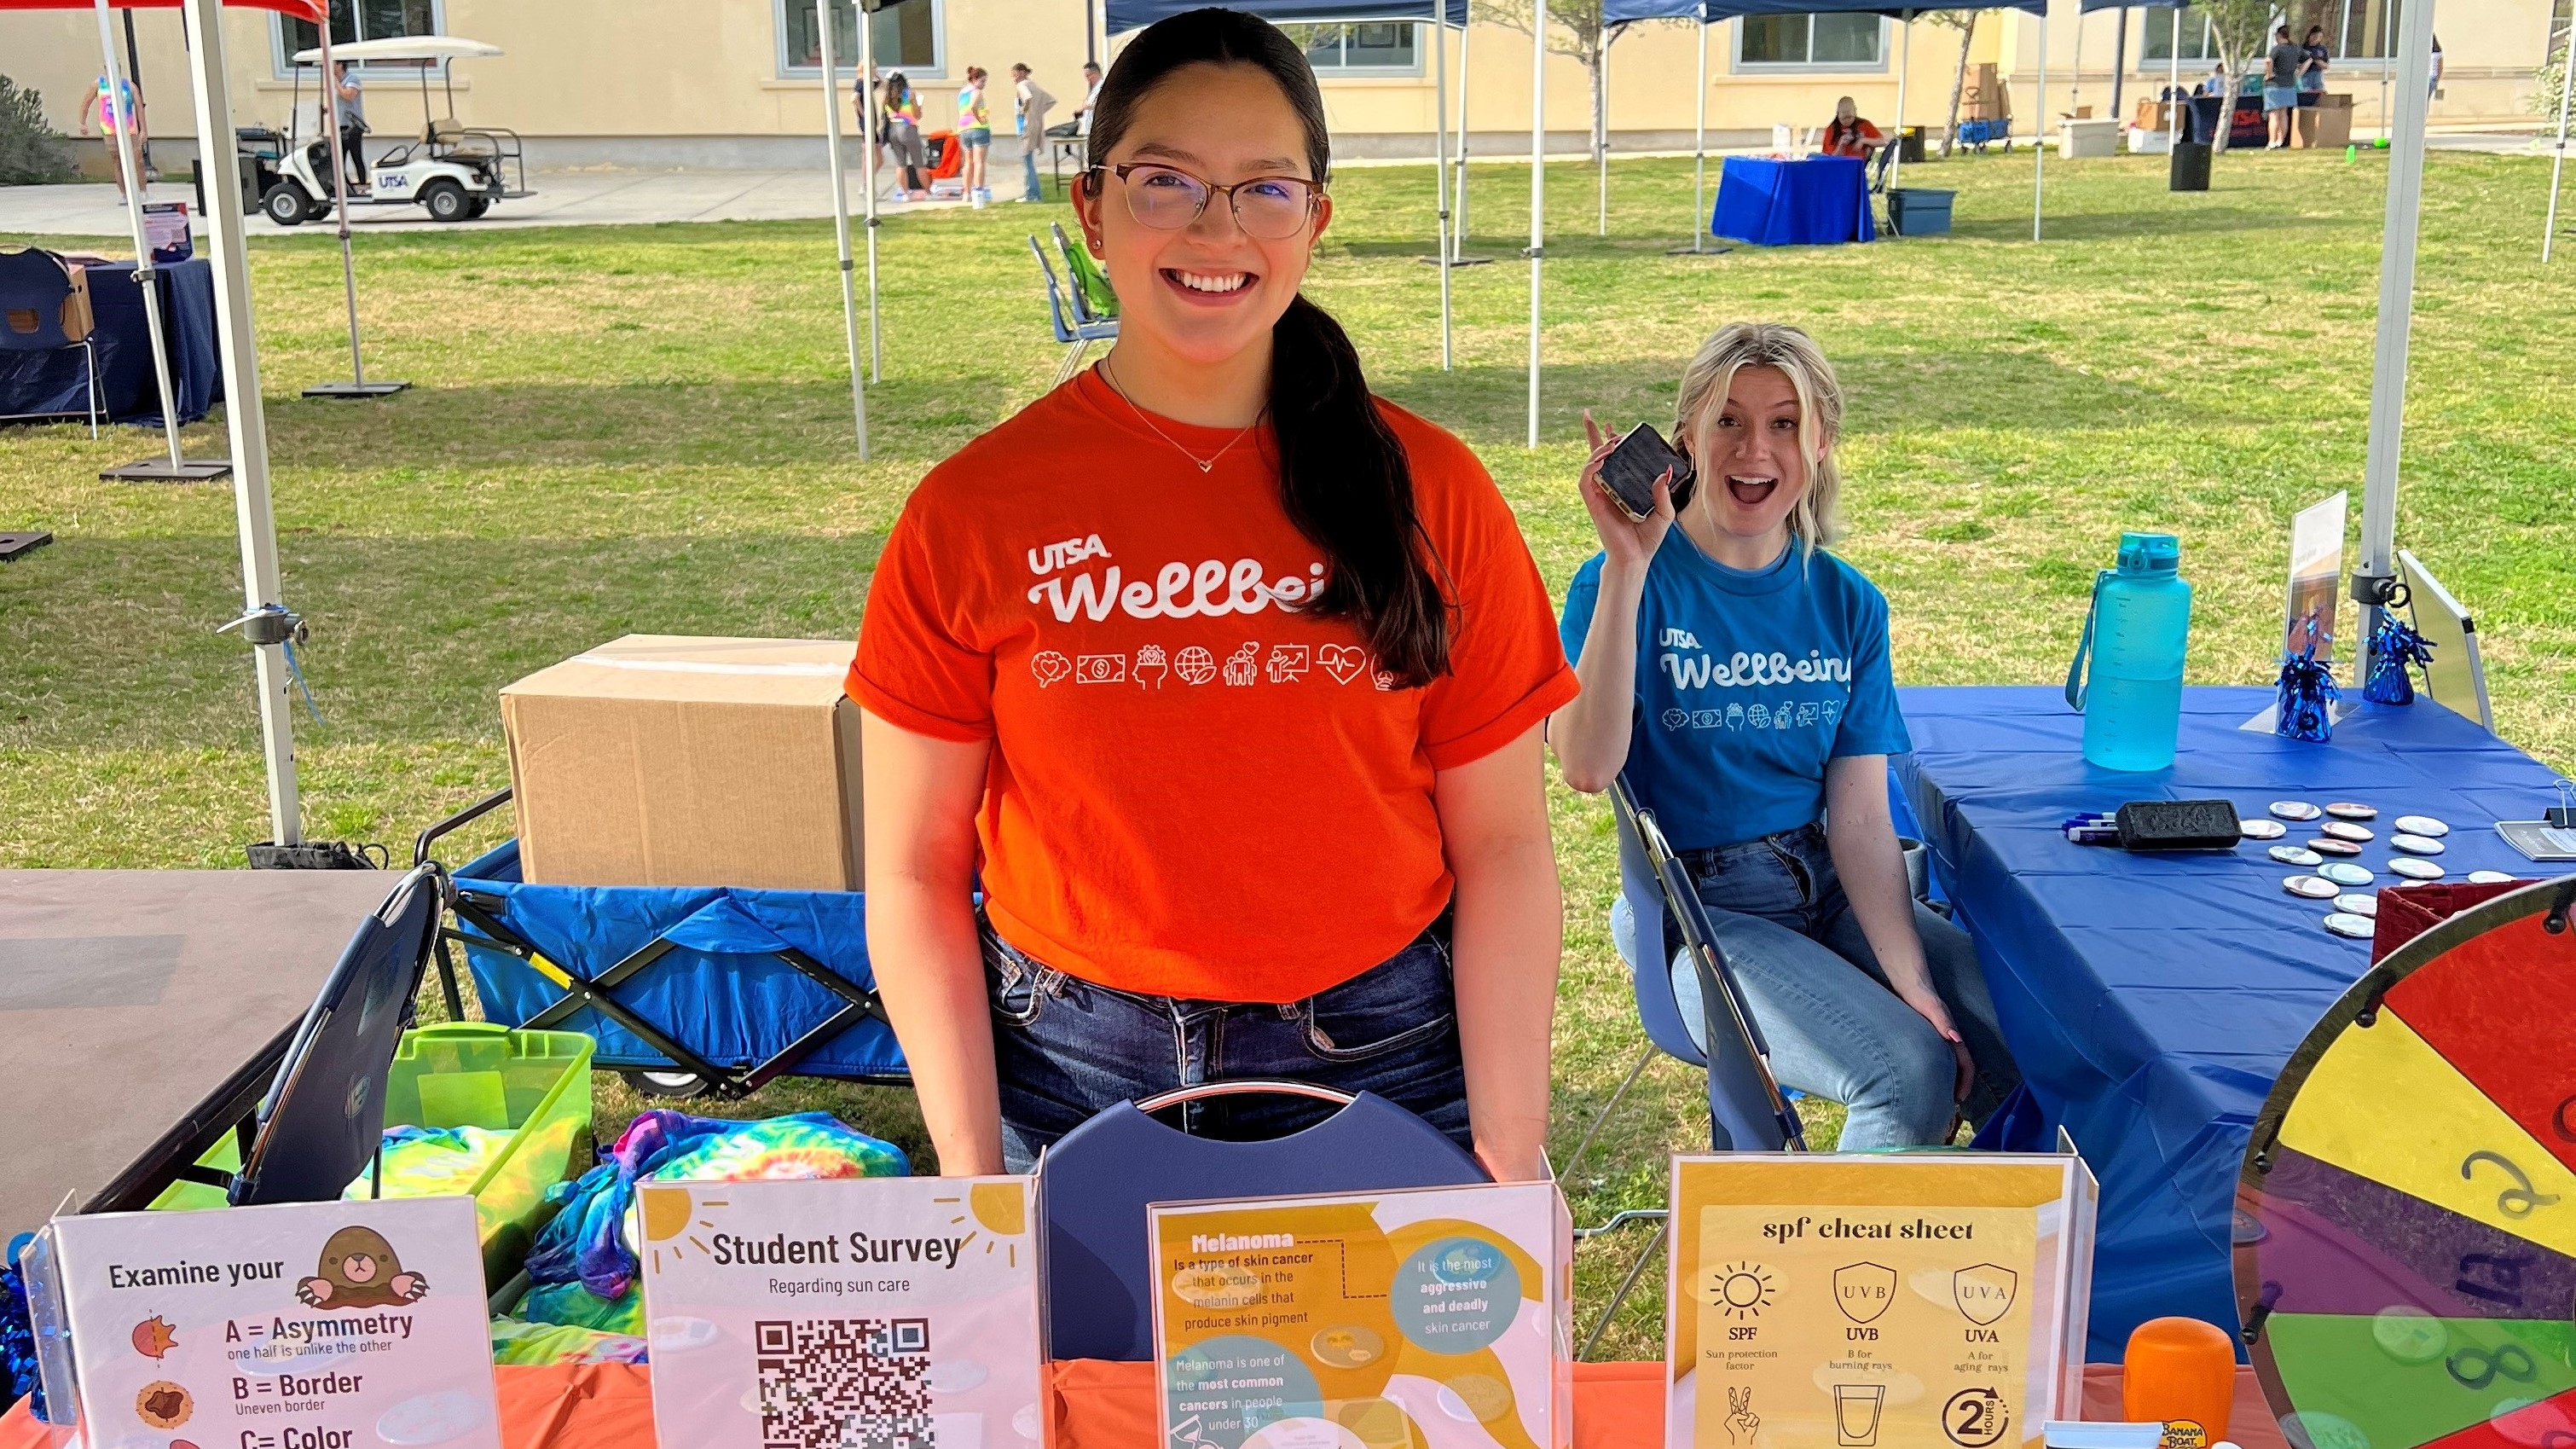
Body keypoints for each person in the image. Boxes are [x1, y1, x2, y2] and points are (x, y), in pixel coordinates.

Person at [853, 7, 1577, 1181]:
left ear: (1316, 219)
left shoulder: (1432, 490)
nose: (1215, 226)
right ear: (1091, 208)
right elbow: (913, 867)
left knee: (1382, 1375)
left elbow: (1500, 844)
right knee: (1082, 1373)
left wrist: (1511, 1144)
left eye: (1264, 189)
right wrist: (972, 1170)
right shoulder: (973, 510)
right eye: (1165, 181)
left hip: (1377, 1053)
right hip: (1068, 1063)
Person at [1548, 322, 2021, 1151]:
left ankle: (1987, 1265)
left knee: (2021, 1031)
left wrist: (1914, 978)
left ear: (1821, 441)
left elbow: (1865, 819)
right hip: (1697, 909)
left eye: (1784, 423)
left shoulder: (1846, 602)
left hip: (1832, 881)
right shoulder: (1622, 580)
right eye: (1727, 420)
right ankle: (1845, 1278)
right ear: (1686, 435)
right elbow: (1586, 766)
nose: (1753, 449)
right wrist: (1627, 567)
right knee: (1907, 1072)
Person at [78, 72, 144, 199]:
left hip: (128, 129)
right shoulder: (99, 85)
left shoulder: (128, 86)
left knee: (138, 160)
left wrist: (143, 130)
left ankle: (142, 192)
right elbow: (85, 103)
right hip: (109, 129)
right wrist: (82, 123)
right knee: (117, 161)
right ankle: (124, 194)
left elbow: (139, 107)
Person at [1011, 62, 1056, 203]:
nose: (1013, 77)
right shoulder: (1033, 85)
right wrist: (1037, 113)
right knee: (1029, 161)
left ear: (1022, 72)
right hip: (1035, 125)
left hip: (1025, 127)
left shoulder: (1022, 85)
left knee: (1027, 162)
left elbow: (1028, 98)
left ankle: (1032, 194)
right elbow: (1050, 101)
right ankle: (1035, 193)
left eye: (1015, 74)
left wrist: (1025, 111)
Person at [881, 72, 927, 200]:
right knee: (918, 163)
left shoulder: (887, 97)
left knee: (900, 164)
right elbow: (917, 115)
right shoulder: (909, 94)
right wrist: (918, 107)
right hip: (908, 129)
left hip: (893, 130)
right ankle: (928, 191)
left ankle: (905, 193)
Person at [957, 65, 993, 206]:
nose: (984, 84)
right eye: (983, 81)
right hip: (978, 128)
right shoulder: (977, 92)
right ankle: (978, 191)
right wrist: (980, 118)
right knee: (979, 162)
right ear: (975, 79)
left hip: (963, 129)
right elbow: (973, 106)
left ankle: (966, 193)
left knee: (968, 162)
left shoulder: (962, 93)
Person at [332, 60, 370, 190]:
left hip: (353, 126)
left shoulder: (352, 79)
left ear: (340, 65)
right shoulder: (339, 82)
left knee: (355, 155)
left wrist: (336, 82)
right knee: (339, 158)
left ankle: (362, 185)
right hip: (341, 124)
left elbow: (349, 96)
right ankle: (345, 186)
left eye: (332, 64)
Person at [2264, 26, 2302, 148]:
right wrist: (2298, 73)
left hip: (2275, 85)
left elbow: (2268, 61)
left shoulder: (2277, 49)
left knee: (2273, 115)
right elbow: (2308, 59)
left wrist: (2269, 74)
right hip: (2289, 84)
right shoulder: (2295, 48)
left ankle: (2272, 141)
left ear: (2278, 36)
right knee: (2284, 114)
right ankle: (2281, 141)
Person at [1819, 96, 1884, 159]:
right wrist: (1841, 145)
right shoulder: (1831, 130)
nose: (1847, 121)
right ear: (1838, 115)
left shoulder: (1864, 124)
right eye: (1843, 119)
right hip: (1840, 165)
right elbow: (1830, 159)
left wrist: (1863, 140)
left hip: (1859, 165)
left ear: (1855, 112)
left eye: (1850, 117)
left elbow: (1882, 141)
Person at [1073, 60, 1104, 136]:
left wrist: (1085, 107)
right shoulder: (1094, 89)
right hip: (1090, 129)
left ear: (1096, 73)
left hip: (1098, 129)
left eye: (1088, 75)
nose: (1087, 79)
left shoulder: (1103, 87)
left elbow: (1103, 103)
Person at [2300, 25, 2330, 96]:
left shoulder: (2322, 49)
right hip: (2305, 75)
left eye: (2320, 37)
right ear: (2310, 35)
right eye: (2315, 36)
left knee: (2320, 95)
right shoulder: (2302, 48)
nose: (2317, 39)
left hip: (2317, 75)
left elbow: (2326, 66)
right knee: (2305, 94)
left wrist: (2315, 59)